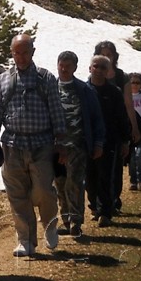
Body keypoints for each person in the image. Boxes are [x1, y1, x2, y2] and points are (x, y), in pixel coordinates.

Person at [0, 33, 66, 257]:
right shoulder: (3, 79)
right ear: (12, 53)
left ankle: (50, 226)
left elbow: (56, 111)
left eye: (25, 52)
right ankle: (26, 241)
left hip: (41, 144)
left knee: (44, 190)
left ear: (32, 52)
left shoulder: (46, 78)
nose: (21, 57)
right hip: (12, 145)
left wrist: (61, 143)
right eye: (17, 52)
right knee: (17, 194)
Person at [53, 50, 104, 239]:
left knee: (74, 183)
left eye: (68, 65)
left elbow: (96, 118)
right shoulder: (50, 88)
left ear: (75, 67)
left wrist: (98, 143)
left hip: (78, 146)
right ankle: (65, 220)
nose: (64, 69)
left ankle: (76, 222)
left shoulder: (84, 90)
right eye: (62, 65)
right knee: (59, 184)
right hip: (55, 148)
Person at [87, 54, 130, 225]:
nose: (98, 70)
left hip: (110, 140)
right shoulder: (84, 90)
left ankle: (105, 212)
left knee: (105, 176)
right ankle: (94, 206)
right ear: (90, 68)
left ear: (108, 71)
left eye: (102, 67)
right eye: (95, 66)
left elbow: (122, 117)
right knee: (89, 177)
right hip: (87, 140)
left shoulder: (114, 92)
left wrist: (125, 140)